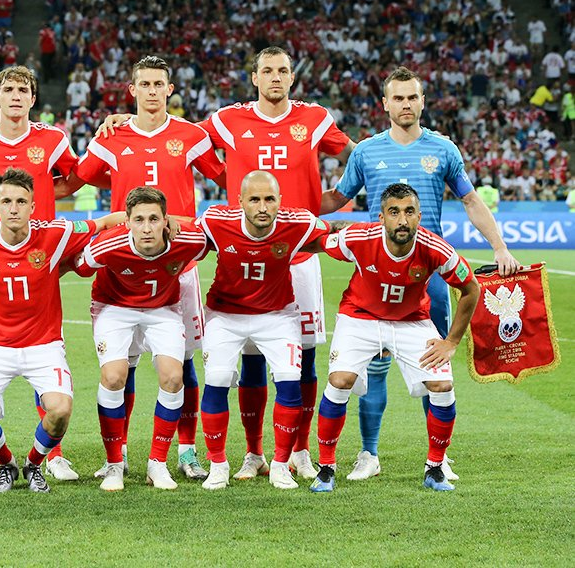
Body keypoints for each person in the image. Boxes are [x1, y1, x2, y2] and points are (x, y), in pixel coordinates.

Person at [321, 66, 520, 481]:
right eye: (398, 98)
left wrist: (499, 246)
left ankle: (438, 459)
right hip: (376, 275)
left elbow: (471, 201)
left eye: (412, 97)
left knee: (436, 366)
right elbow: (337, 198)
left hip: (431, 276)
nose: (406, 104)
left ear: (423, 101)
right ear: (385, 104)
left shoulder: (443, 149)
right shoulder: (366, 152)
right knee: (374, 368)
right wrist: (282, 205)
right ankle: (369, 454)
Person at [198, 46, 354, 480]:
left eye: (283, 70)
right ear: (254, 78)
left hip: (299, 255)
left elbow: (355, 156)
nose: (275, 77)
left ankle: (299, 450)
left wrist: (335, 199)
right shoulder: (228, 120)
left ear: (291, 77)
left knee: (303, 358)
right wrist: (224, 177)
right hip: (246, 252)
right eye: (267, 71)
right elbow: (183, 142)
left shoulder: (314, 118)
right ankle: (254, 453)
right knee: (251, 359)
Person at [74, 55, 227, 480]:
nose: (153, 91)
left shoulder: (190, 135)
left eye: (160, 84)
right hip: (127, 260)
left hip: (179, 263)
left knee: (184, 363)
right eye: (145, 84)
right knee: (123, 366)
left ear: (170, 90)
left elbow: (224, 177)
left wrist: (186, 222)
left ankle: (187, 452)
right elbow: (83, 175)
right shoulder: (112, 136)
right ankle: (118, 454)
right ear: (133, 90)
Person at [0, 169, 124, 493]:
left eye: (21, 201)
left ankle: (33, 464)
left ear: (33, 206)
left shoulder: (56, 234)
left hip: (44, 344)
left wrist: (144, 217)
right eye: (6, 202)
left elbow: (104, 223)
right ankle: (6, 465)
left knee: (60, 410)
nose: (14, 208)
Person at [0, 65, 81, 482]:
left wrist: (40, 198)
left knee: (43, 345)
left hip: (38, 254)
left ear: (32, 98)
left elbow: (72, 180)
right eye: (8, 89)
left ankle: (53, 454)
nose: (15, 96)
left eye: (22, 90)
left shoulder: (53, 138)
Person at [308, 183, 480, 492]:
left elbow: (471, 288)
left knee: (442, 385)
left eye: (409, 212)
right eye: (394, 212)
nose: (402, 220)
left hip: (411, 321)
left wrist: (451, 341)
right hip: (359, 317)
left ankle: (435, 467)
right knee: (340, 380)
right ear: (382, 217)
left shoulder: (435, 249)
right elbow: (318, 242)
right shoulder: (359, 238)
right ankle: (326, 468)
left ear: (419, 216)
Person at [197, 171, 345, 491]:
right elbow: (182, 233)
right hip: (226, 315)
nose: (262, 207)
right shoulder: (215, 220)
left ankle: (280, 464)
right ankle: (218, 465)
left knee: (290, 381)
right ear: (240, 202)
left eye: (269, 199)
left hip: (277, 315)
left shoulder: (299, 222)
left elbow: (334, 230)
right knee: (217, 379)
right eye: (254, 199)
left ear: (280, 201)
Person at [75, 187, 208, 491]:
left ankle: (157, 464)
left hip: (163, 309)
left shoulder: (189, 241)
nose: (146, 228)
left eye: (153, 219)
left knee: (174, 378)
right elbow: (81, 267)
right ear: (128, 221)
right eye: (139, 220)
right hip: (114, 307)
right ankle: (114, 464)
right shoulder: (108, 245)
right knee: (113, 377)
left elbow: (210, 237)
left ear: (166, 220)